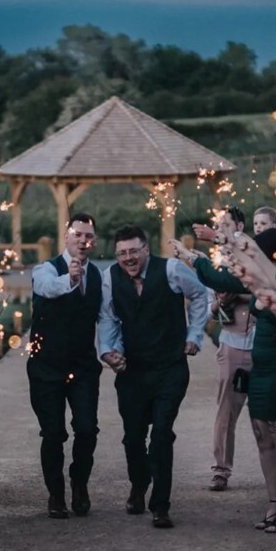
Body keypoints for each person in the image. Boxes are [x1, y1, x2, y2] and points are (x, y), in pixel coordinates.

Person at [98, 224, 207, 529]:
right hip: (132, 371)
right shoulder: (109, 278)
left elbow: (201, 296)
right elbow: (108, 318)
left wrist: (195, 334)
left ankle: (161, 505)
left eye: (134, 251)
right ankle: (139, 483)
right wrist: (109, 351)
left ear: (146, 249)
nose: (129, 258)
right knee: (133, 437)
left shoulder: (171, 269)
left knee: (160, 435)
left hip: (170, 368)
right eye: (122, 253)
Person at [27, 213, 102, 519]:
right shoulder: (45, 270)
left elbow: (105, 317)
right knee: (53, 433)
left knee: (87, 429)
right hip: (47, 365)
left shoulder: (98, 275)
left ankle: (79, 483)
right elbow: (47, 289)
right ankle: (55, 494)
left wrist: (111, 350)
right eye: (78, 234)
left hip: (83, 365)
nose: (84, 241)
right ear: (66, 236)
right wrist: (70, 278)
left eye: (89, 236)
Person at [186, 207, 253, 492]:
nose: (221, 228)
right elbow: (212, 313)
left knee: (271, 419)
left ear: (239, 225)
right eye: (218, 225)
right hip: (233, 344)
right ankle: (221, 470)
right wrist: (222, 302)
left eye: (225, 224)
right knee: (226, 412)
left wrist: (242, 293)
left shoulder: (254, 254)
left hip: (264, 345)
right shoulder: (218, 261)